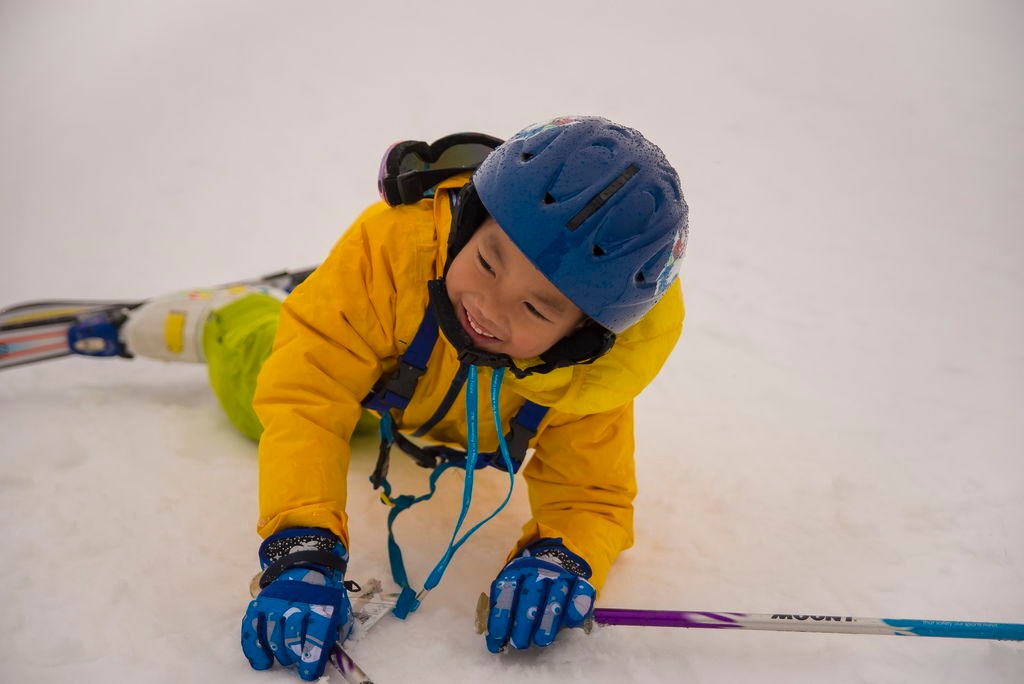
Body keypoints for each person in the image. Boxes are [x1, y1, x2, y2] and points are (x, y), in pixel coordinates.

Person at [121, 115, 689, 681]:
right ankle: (233, 315)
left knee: (366, 426)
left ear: (585, 336)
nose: (489, 308)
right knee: (259, 387)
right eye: (488, 263)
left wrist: (563, 558)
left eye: (536, 308)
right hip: (376, 369)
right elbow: (309, 393)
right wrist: (302, 542)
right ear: (468, 222)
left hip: (444, 414)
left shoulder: (590, 377)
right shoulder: (399, 249)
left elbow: (591, 496)